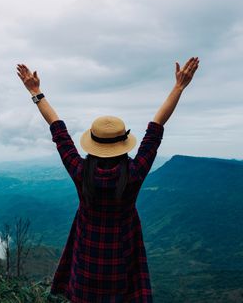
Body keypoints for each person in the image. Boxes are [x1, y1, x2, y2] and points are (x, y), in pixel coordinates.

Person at [16, 57, 200, 302]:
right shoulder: (133, 174)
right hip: (122, 270)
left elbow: (58, 129)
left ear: (92, 145)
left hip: (85, 272)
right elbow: (156, 128)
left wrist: (35, 91)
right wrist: (179, 87)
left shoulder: (81, 173)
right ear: (123, 145)